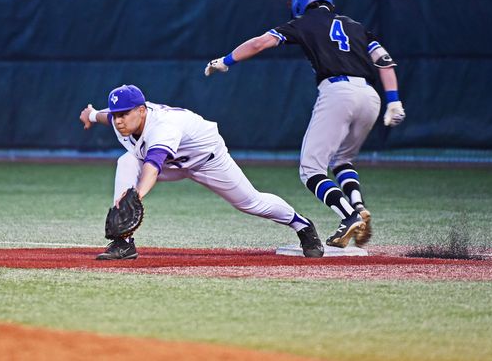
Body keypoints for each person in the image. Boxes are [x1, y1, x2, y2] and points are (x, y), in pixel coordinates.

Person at [205, 0, 405, 249]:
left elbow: (260, 43)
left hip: (337, 92)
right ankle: (357, 205)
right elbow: (384, 61)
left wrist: (226, 61)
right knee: (343, 159)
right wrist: (394, 101)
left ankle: (350, 216)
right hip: (371, 97)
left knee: (310, 170)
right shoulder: (357, 27)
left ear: (300, 4)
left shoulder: (303, 22)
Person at [79, 84, 324, 259]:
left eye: (124, 114)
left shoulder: (163, 128)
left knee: (251, 203)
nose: (118, 120)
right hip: (172, 164)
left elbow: (152, 167)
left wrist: (137, 196)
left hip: (207, 160)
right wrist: (89, 115)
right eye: (116, 115)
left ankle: (302, 225)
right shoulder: (116, 120)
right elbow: (102, 115)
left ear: (141, 110)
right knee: (127, 161)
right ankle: (124, 243)